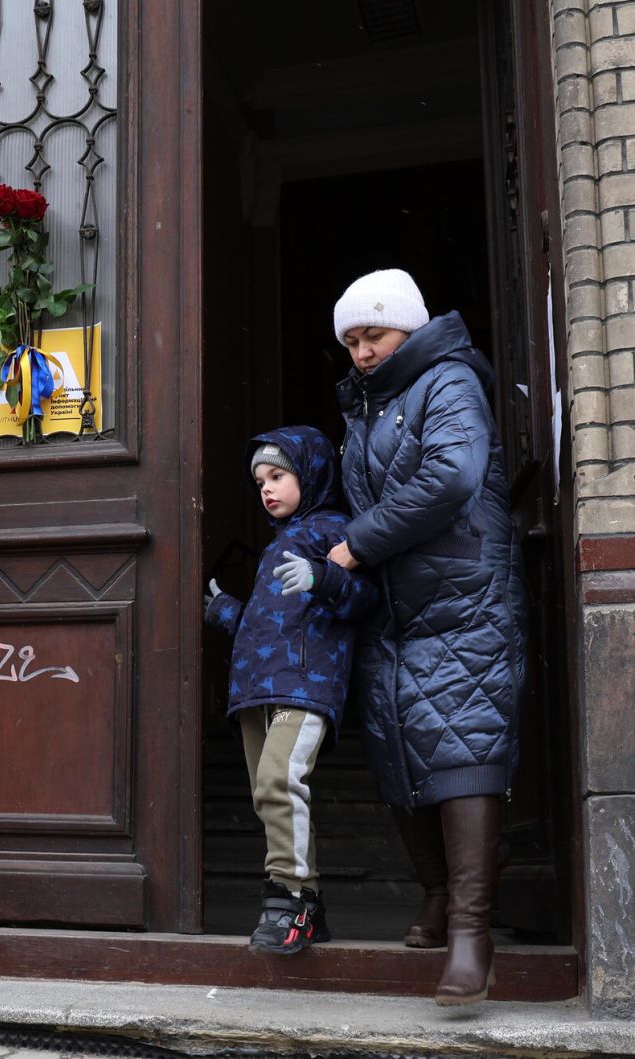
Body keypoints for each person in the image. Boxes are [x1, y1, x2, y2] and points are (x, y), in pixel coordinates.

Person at [328, 269, 528, 1004]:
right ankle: (438, 895)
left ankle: (474, 935)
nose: (362, 351)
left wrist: (359, 543)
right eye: (351, 340)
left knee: (466, 752)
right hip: (395, 610)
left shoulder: (448, 380)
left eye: (374, 335)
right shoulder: (368, 405)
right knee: (399, 751)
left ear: (409, 328)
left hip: (463, 600)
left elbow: (453, 475)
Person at [205, 425, 378, 955]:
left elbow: (364, 599)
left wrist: (324, 577)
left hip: (307, 684)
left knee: (279, 781)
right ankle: (309, 903)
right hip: (257, 688)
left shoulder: (335, 530)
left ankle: (290, 901)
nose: (267, 488)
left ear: (311, 473)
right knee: (269, 795)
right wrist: (227, 611)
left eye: (278, 476)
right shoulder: (278, 544)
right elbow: (271, 622)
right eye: (260, 481)